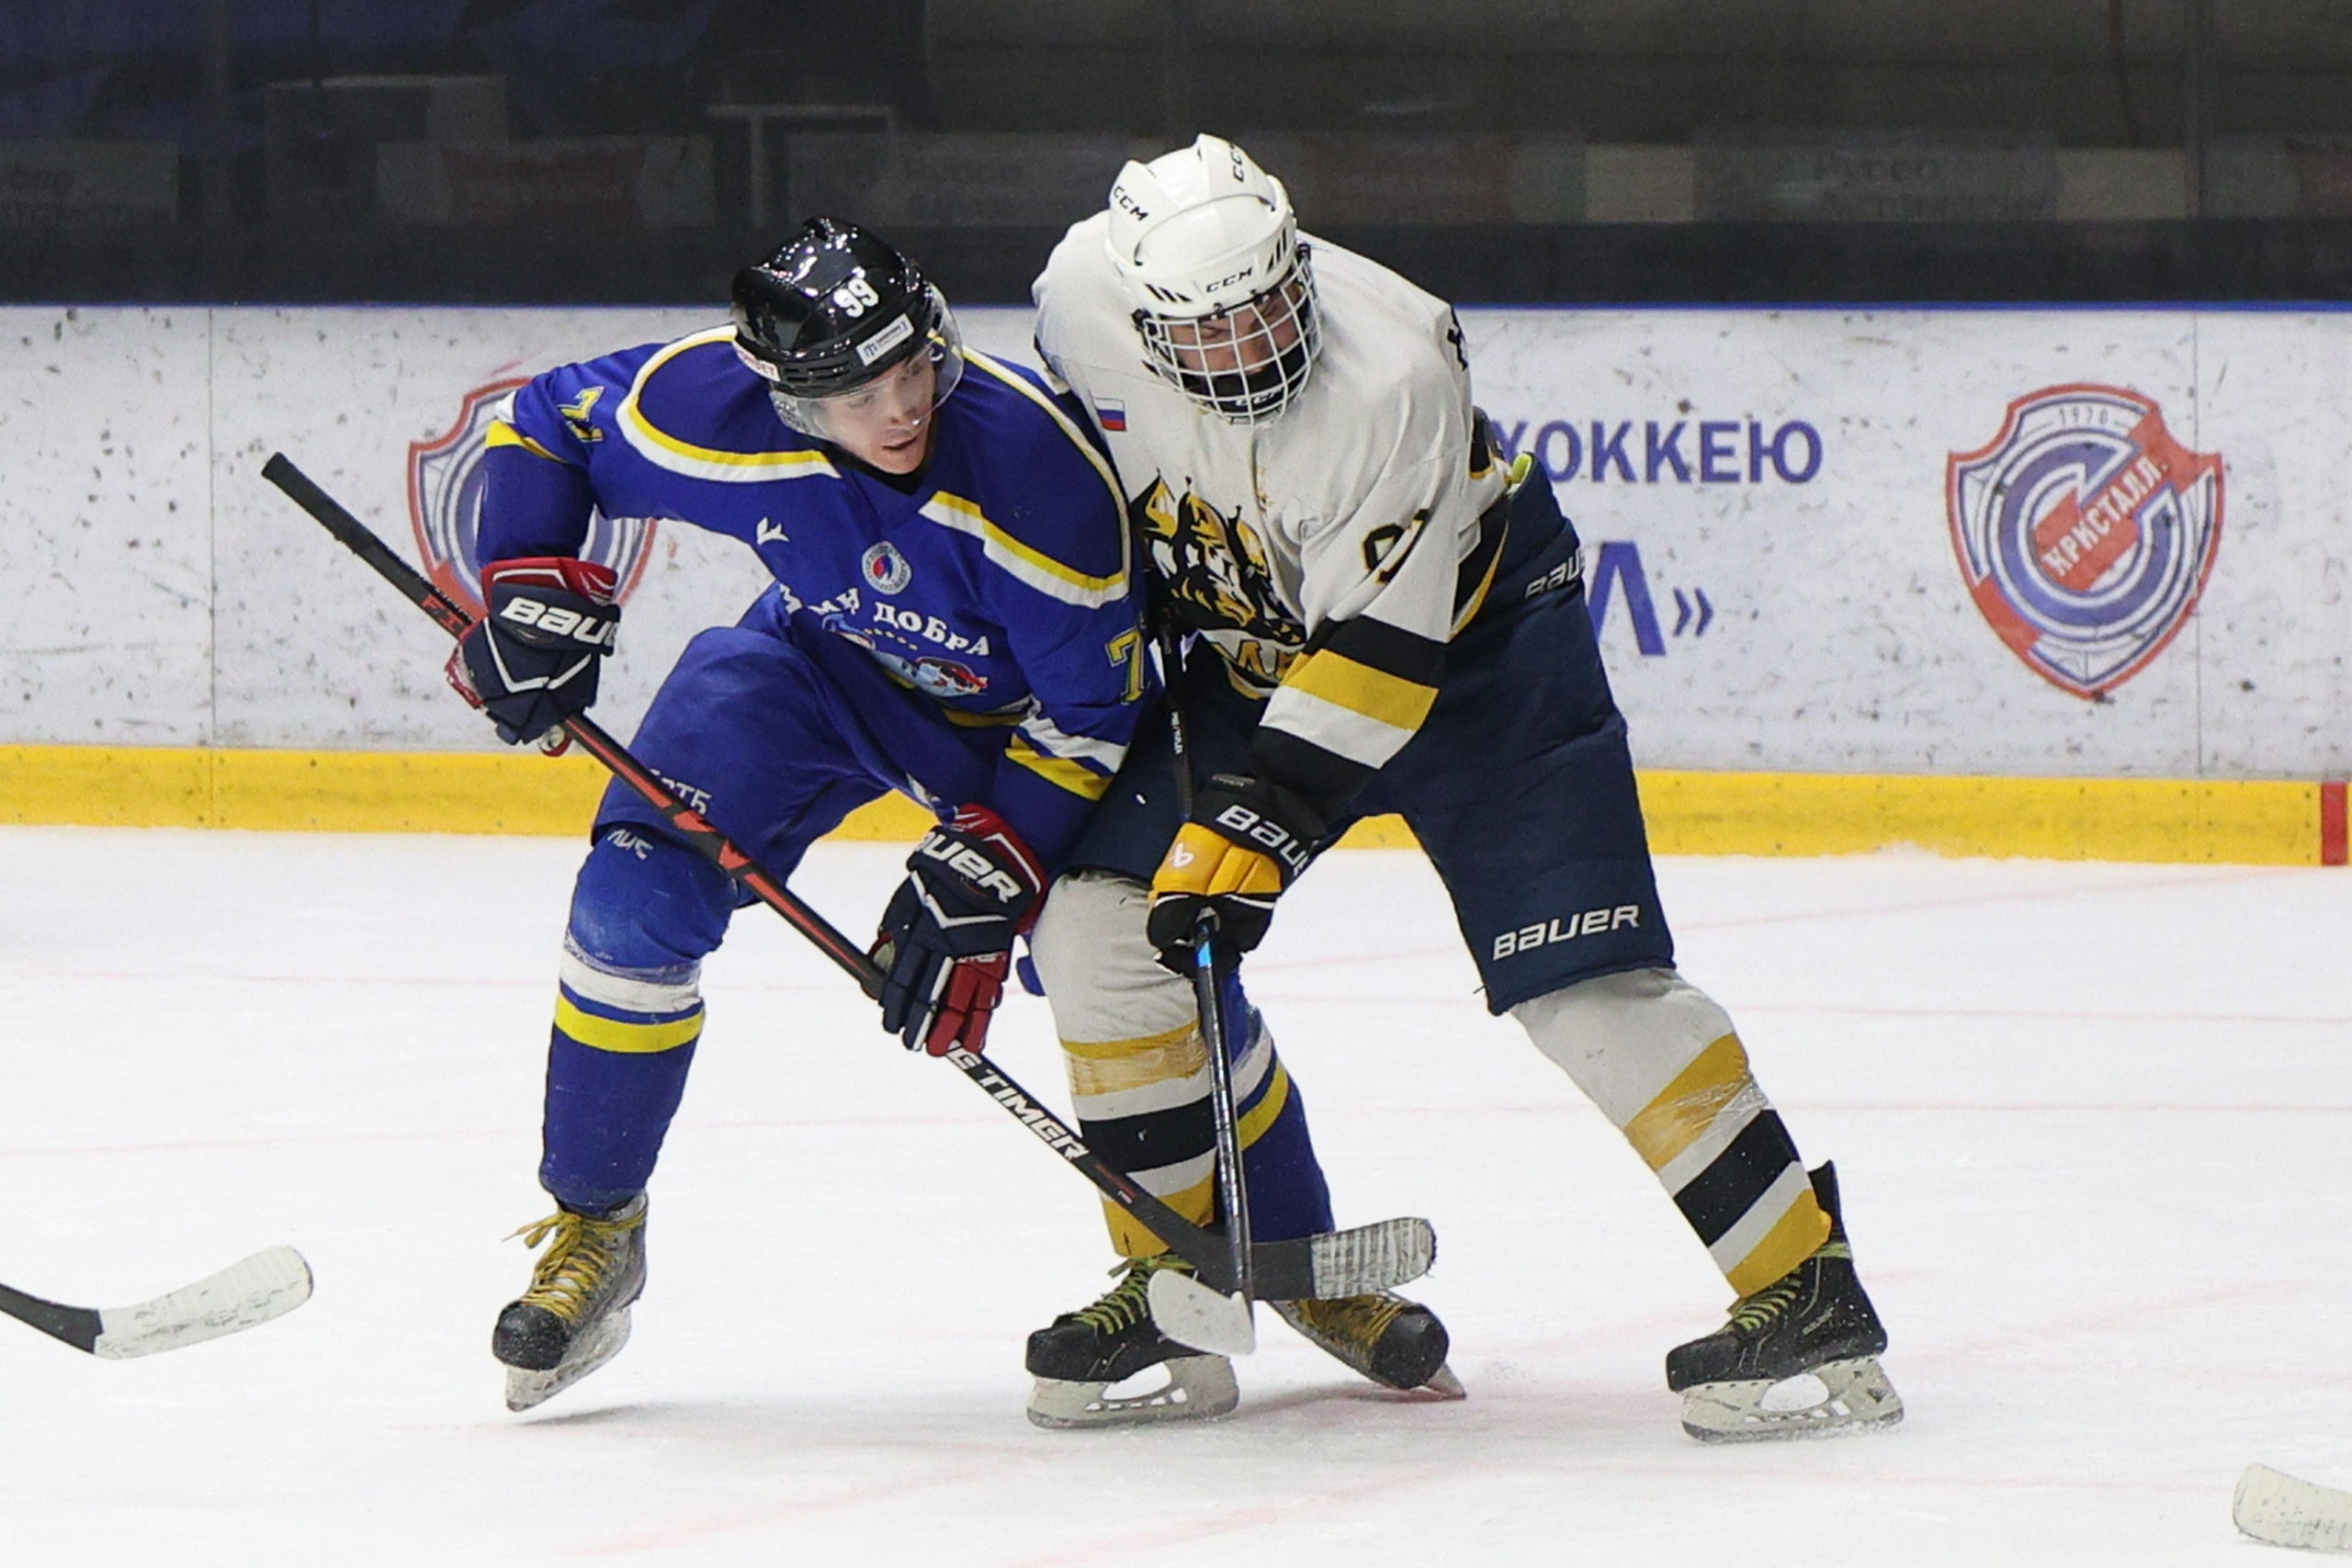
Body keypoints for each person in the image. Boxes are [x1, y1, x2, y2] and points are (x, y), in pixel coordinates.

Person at [1019, 135, 1901, 1441]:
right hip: (1254, 650)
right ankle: (1172, 1276)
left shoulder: (1394, 370)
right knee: (1097, 931)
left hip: (1481, 656)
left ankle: (1806, 1288)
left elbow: (1380, 655)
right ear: (1146, 318)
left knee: (1587, 994)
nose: (1252, 344)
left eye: (1269, 303)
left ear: (1298, 260)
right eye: (1210, 328)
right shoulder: (1076, 299)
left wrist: (1259, 831)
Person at [449, 217, 1152, 1410]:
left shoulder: (1033, 474)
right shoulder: (712, 409)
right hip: (814, 665)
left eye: (910, 367)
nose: (897, 410)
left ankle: (1186, 1260)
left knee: (1123, 960)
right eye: (855, 392)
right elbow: (541, 423)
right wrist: (524, 579)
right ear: (781, 394)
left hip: (1012, 735)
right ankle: (597, 1230)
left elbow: (1097, 708)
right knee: (632, 898)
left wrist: (1006, 851)